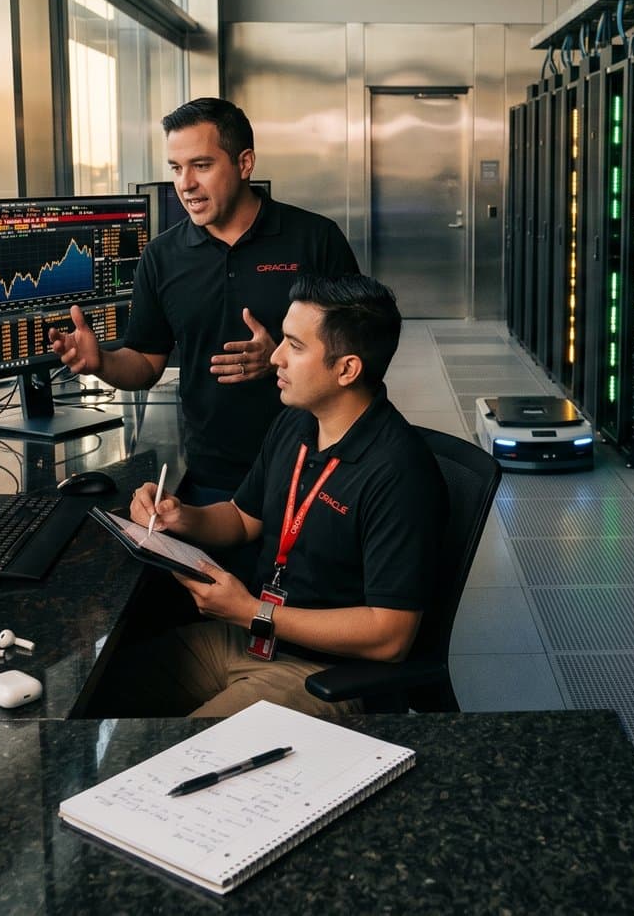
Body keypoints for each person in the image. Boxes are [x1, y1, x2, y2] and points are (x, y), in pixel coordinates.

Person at [115, 274, 448, 719]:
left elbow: (391, 635)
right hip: (256, 640)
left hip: (326, 673)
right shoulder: (296, 423)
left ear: (347, 369)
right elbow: (241, 518)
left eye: (294, 345)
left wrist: (254, 612)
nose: (274, 358)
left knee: (188, 755)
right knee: (101, 692)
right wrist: (181, 517)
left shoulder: (399, 472)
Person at [51, 97, 359, 505]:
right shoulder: (161, 257)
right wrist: (101, 363)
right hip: (214, 474)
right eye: (177, 169)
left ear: (245, 163)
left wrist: (281, 359)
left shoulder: (316, 240)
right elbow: (145, 364)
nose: (185, 184)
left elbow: (360, 358)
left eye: (201, 165)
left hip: (314, 467)